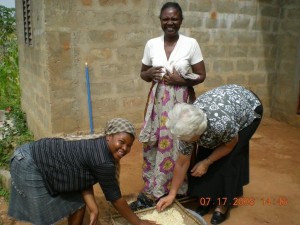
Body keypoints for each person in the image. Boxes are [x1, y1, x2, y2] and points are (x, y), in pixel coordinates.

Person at [8, 118, 159, 225]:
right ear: (109, 137)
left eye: (129, 145)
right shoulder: (103, 160)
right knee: (41, 216)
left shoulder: (99, 145)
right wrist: (138, 222)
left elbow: (81, 176)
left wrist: (93, 208)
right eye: (121, 142)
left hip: (36, 158)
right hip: (30, 163)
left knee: (78, 204)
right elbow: (116, 199)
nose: (124, 148)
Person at [156, 84, 263, 225]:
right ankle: (207, 197)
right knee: (203, 153)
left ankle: (223, 204)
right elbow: (182, 162)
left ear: (198, 132)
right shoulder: (185, 125)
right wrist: (172, 194)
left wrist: (207, 162)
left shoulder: (221, 124)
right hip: (224, 105)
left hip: (248, 108)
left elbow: (230, 145)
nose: (185, 141)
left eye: (189, 138)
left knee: (230, 159)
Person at [138, 1, 206, 203]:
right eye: (166, 18)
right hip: (157, 103)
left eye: (174, 18)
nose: (170, 22)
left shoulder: (190, 44)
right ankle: (155, 186)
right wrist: (149, 73)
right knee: (156, 142)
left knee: (179, 143)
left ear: (181, 20)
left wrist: (181, 80)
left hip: (181, 103)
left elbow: (201, 75)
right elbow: (143, 73)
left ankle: (177, 188)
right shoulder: (151, 44)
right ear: (160, 21)